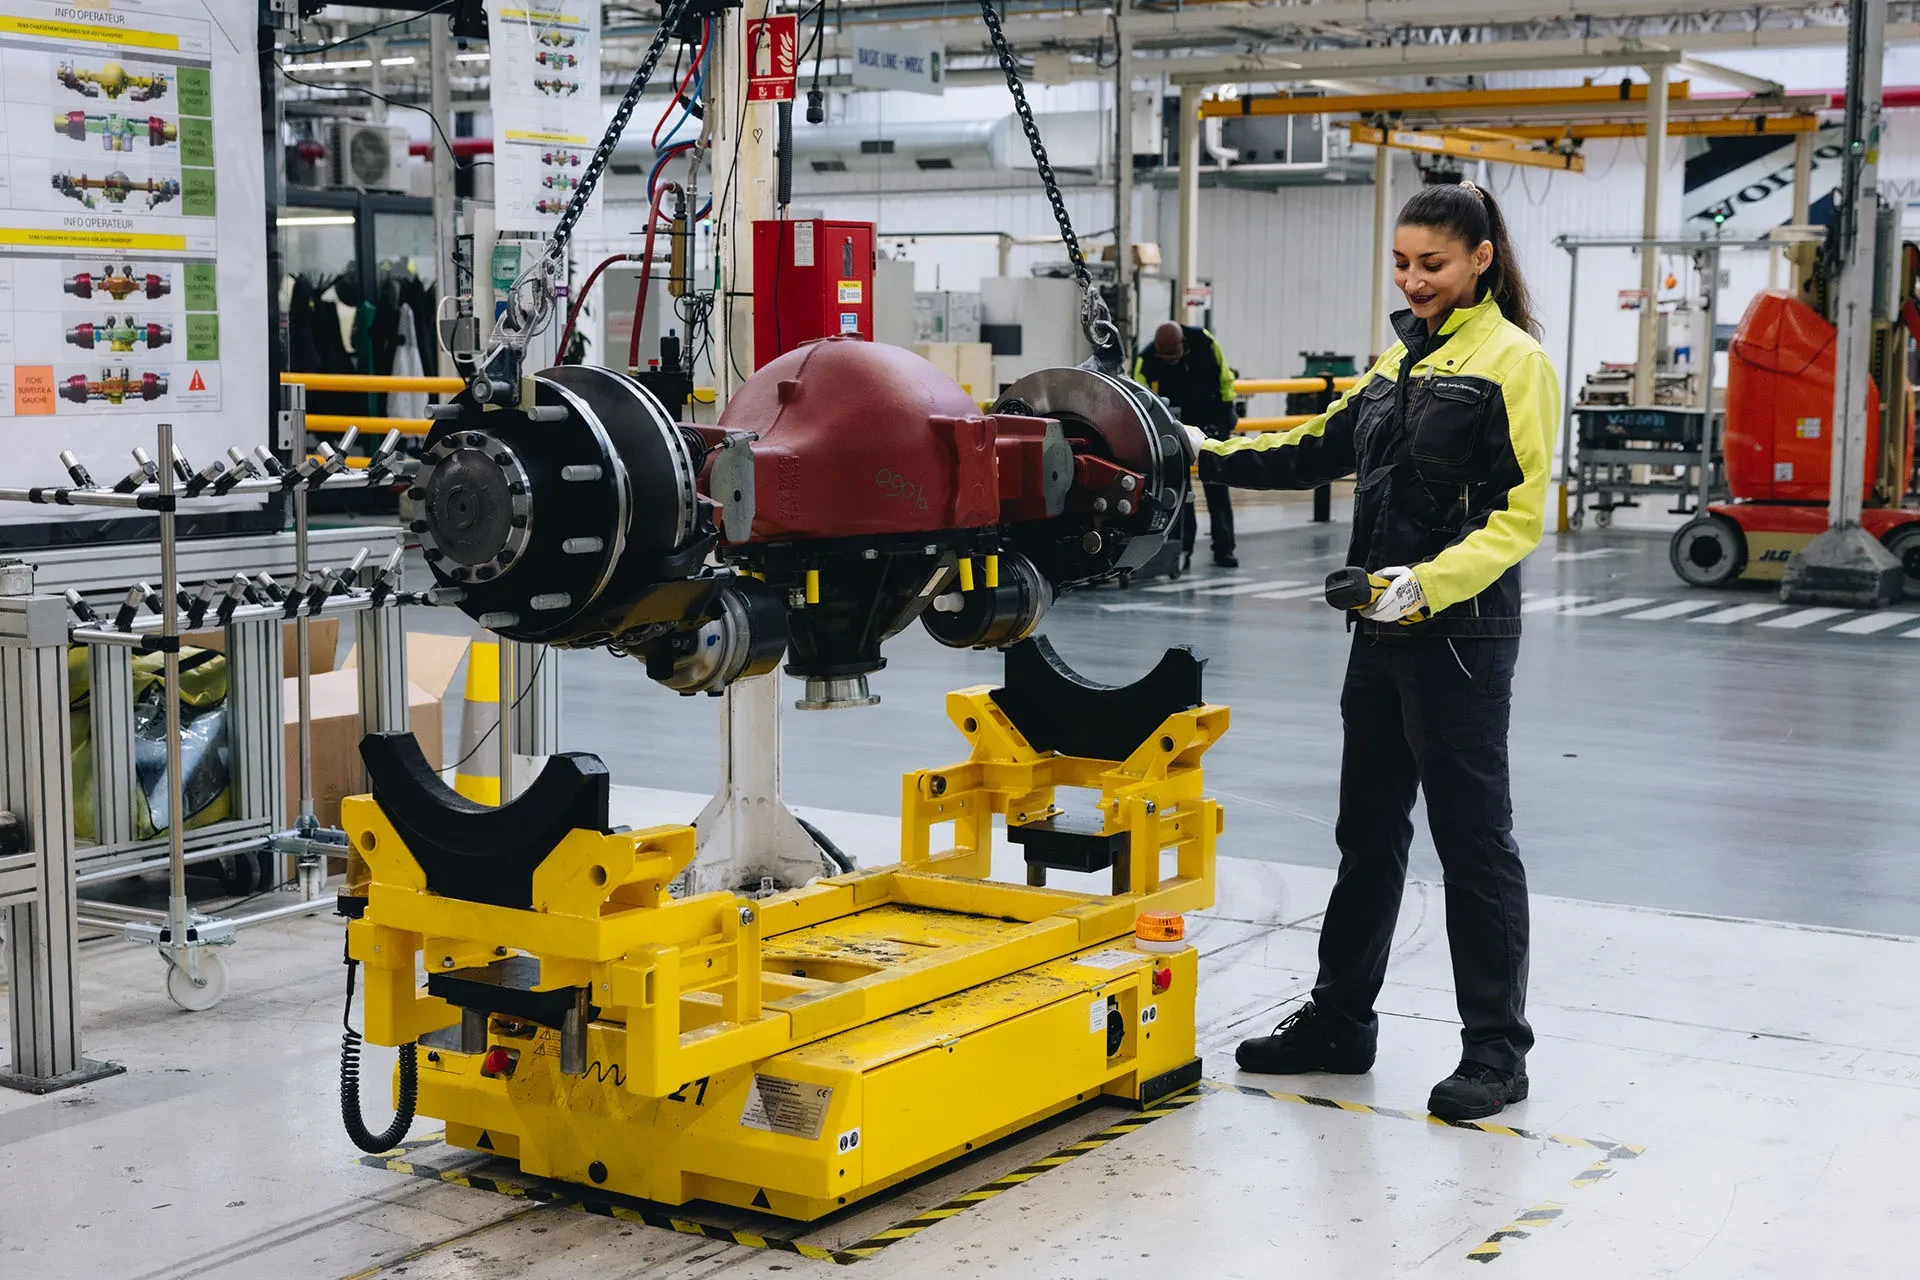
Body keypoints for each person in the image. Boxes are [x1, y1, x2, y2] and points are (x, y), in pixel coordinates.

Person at [1185, 181, 1557, 1122]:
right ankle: (1342, 1023)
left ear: (1480, 260)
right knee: (1368, 835)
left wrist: (1422, 584)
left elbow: (1520, 518)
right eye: (1401, 263)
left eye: (1432, 264)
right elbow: (1314, 448)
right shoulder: (1397, 363)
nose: (1413, 279)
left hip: (1460, 637)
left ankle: (1497, 1054)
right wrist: (1196, 451)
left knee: (1474, 845)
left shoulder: (1514, 363)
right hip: (1378, 636)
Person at [1134, 321, 1239, 569]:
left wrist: (1226, 413)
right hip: (1175, 430)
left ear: (1183, 344)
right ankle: (1182, 550)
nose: (1170, 361)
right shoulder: (1147, 360)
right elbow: (1141, 396)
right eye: (1165, 357)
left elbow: (1225, 378)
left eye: (1174, 356)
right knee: (1178, 492)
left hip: (1210, 423)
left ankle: (1224, 549)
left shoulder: (1204, 343)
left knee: (1218, 486)